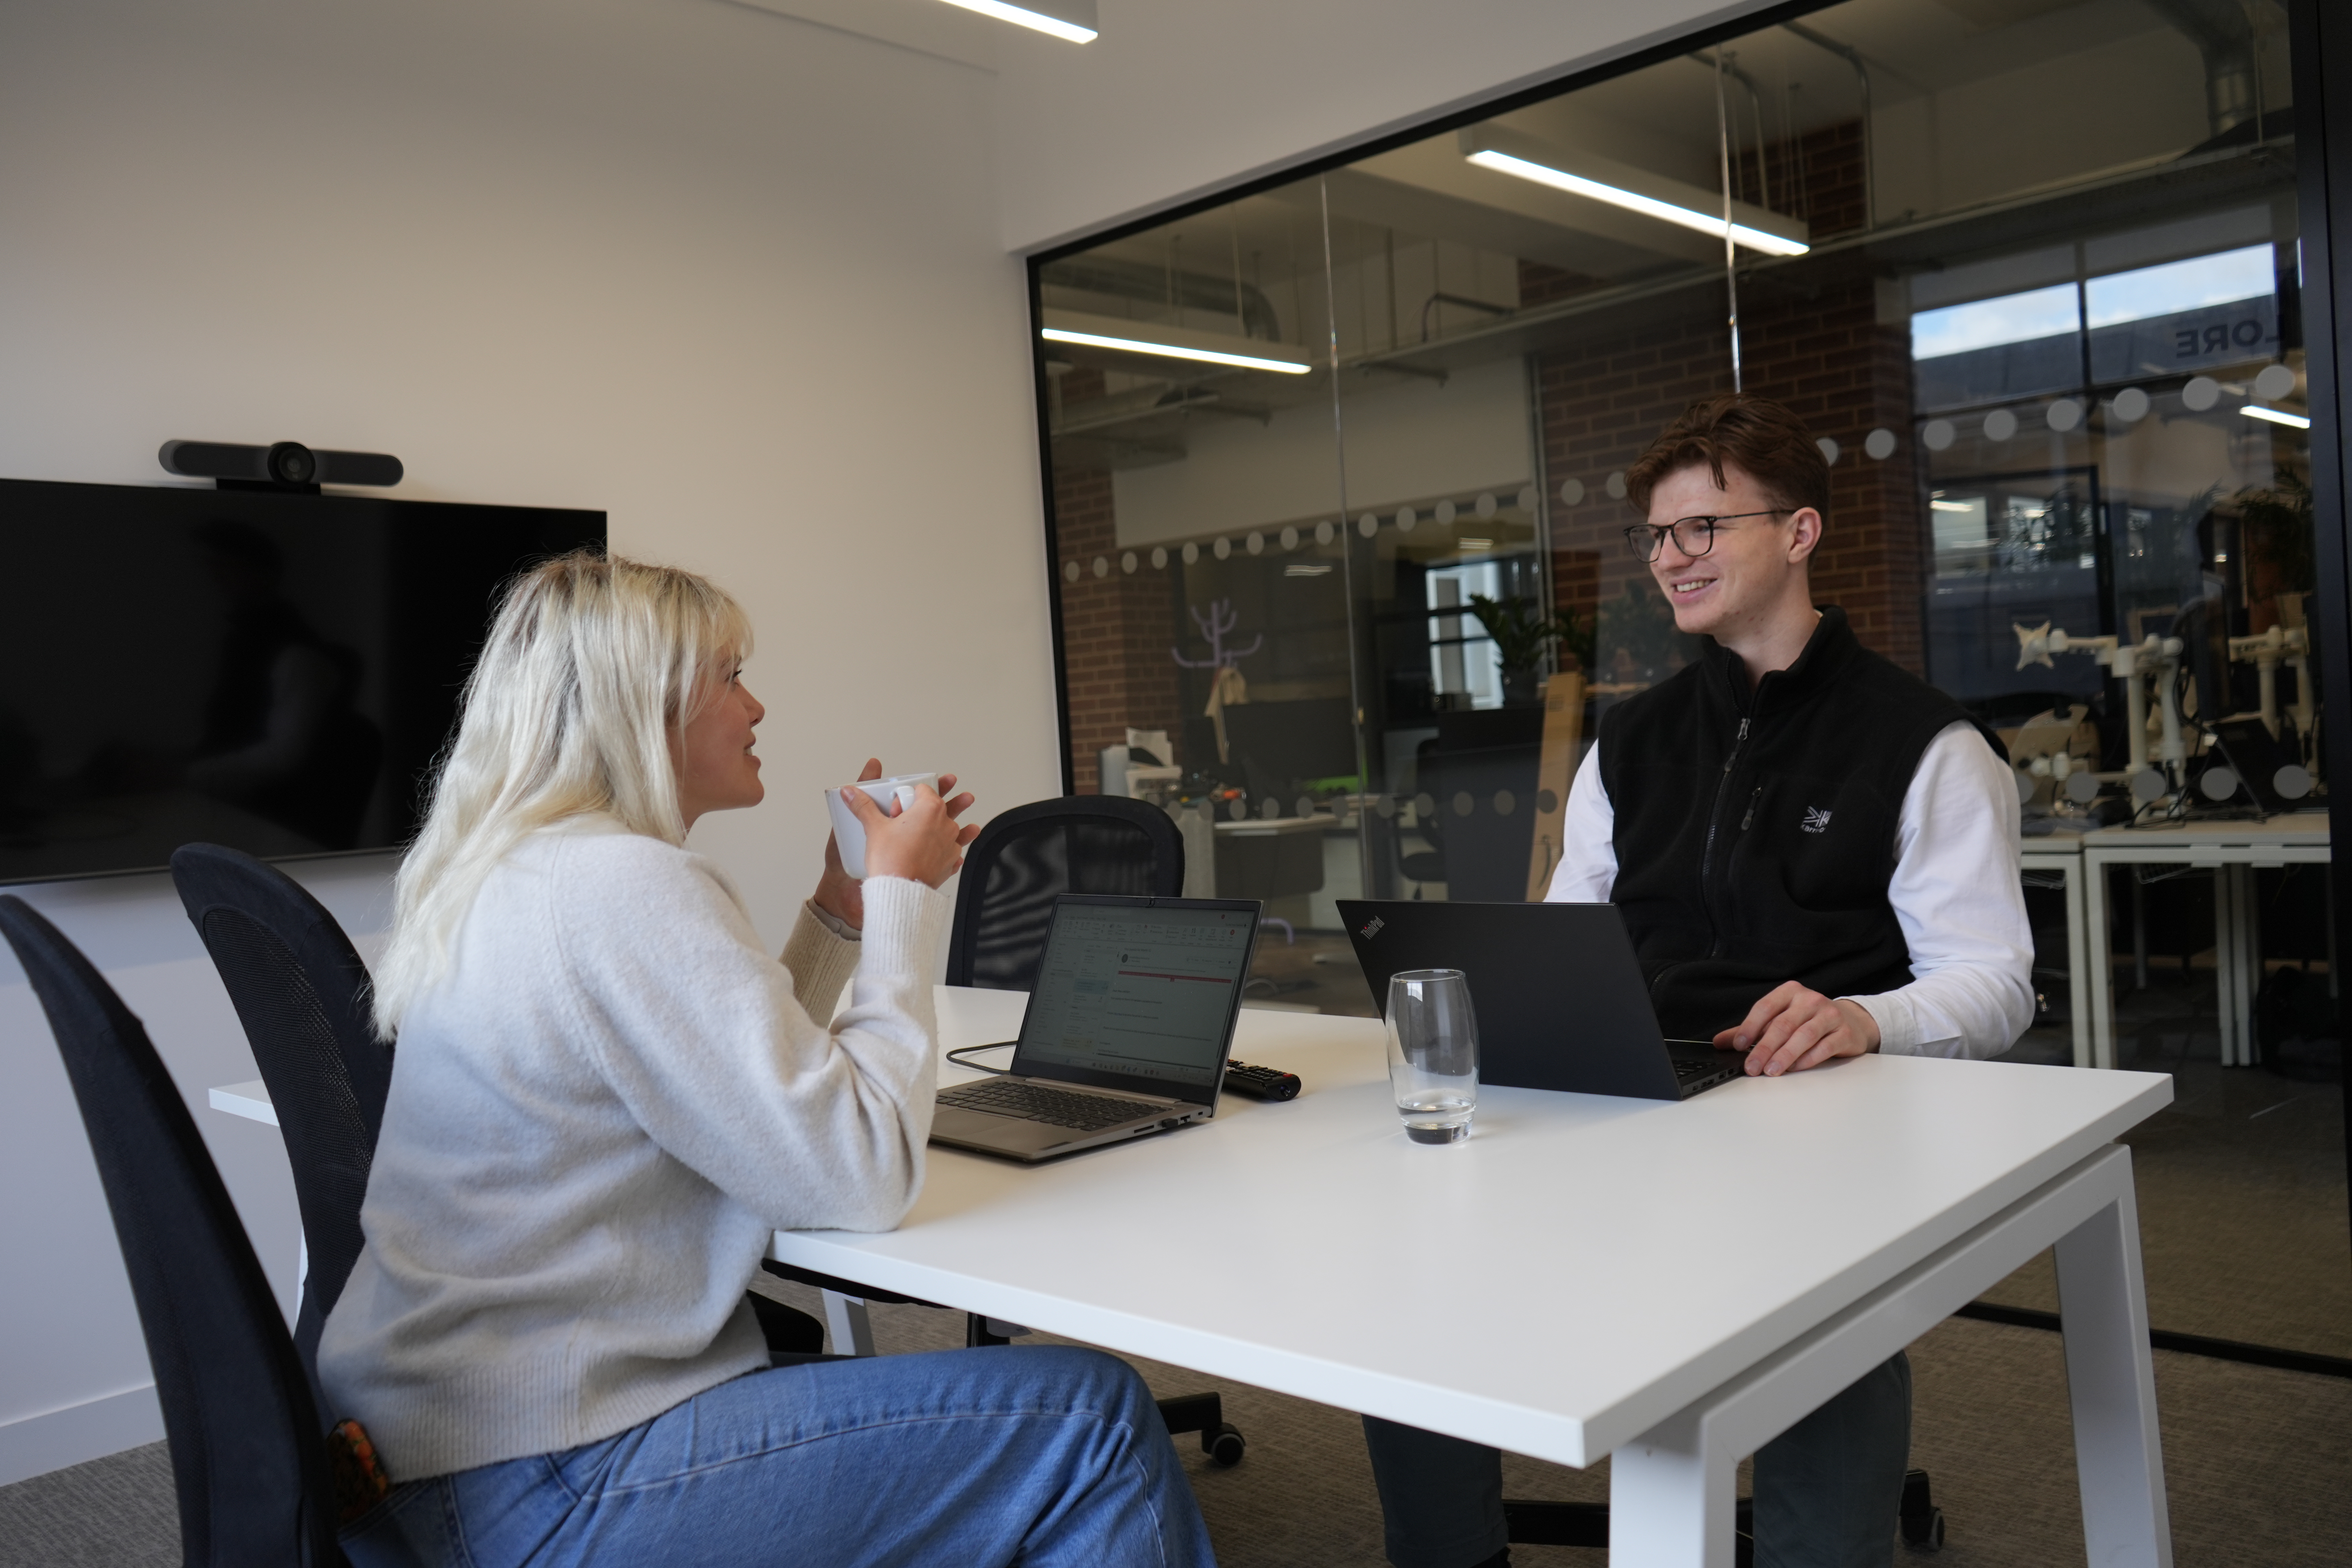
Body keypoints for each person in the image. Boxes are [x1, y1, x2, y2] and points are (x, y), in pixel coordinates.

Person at [323, 551, 1217, 1567]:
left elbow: (738, 1079)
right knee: (1093, 1422)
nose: (757, 707)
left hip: (431, 1451)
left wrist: (839, 906)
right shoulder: (622, 885)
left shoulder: (518, 870)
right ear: (647, 704)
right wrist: (900, 907)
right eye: (731, 675)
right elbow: (860, 1174)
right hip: (544, 1480)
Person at [1360, 395, 2035, 1568]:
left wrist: (1861, 1019)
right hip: (1635, 1085)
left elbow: (1996, 981)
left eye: (1705, 529)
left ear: (1802, 532)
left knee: (1820, 1320)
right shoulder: (1631, 742)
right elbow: (1573, 931)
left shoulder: (1930, 745)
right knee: (1417, 1269)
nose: (1674, 558)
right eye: (1660, 537)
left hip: (1818, 1113)